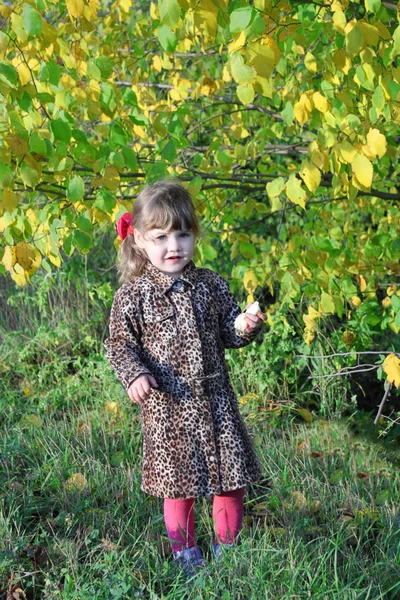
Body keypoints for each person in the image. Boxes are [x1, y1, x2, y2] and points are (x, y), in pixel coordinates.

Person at [104, 178, 266, 576]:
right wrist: (134, 375)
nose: (173, 246)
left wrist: (245, 324)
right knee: (179, 486)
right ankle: (186, 556)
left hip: (216, 400)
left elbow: (228, 331)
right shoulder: (133, 295)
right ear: (140, 240)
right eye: (160, 237)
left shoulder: (210, 284)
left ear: (195, 236)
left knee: (231, 479)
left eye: (183, 234)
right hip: (168, 407)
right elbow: (118, 345)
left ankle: (229, 550)